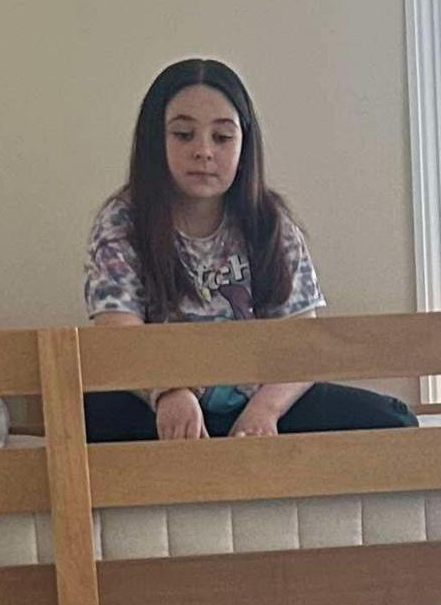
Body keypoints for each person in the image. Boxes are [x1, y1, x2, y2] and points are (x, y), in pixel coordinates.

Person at [82, 58, 416, 441]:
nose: (204, 151)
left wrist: (264, 411)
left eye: (222, 138)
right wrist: (168, 392)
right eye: (183, 135)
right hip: (159, 403)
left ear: (244, 144)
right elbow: (117, 336)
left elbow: (301, 339)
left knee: (395, 422)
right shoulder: (122, 222)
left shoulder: (269, 222)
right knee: (88, 417)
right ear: (156, 142)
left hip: (259, 397)